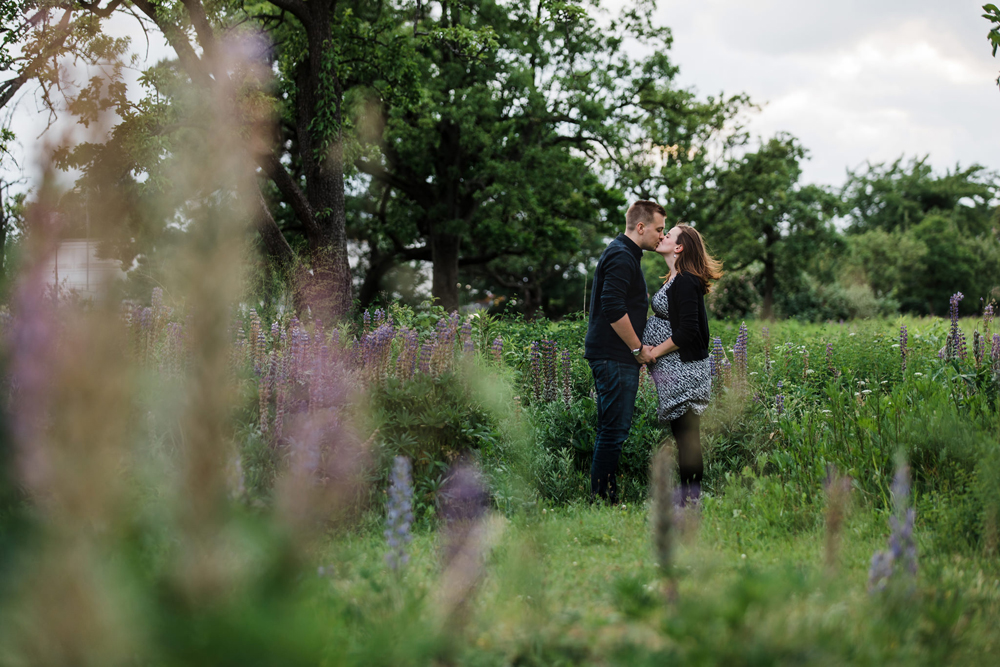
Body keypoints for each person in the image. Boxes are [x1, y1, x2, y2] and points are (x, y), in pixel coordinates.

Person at [584, 200, 664, 503]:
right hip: (613, 355)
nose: (661, 235)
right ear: (640, 227)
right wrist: (637, 348)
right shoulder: (620, 255)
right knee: (614, 431)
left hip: (613, 355)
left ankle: (604, 496)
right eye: (658, 229)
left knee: (612, 429)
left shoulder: (626, 254)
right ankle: (603, 499)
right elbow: (613, 306)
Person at [642, 223, 722, 507]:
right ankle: (688, 498)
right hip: (676, 369)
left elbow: (688, 331)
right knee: (683, 435)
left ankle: (691, 499)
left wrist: (653, 353)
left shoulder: (686, 280)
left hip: (685, 371)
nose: (662, 236)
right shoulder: (675, 279)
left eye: (669, 234)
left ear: (679, 247)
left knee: (687, 437)